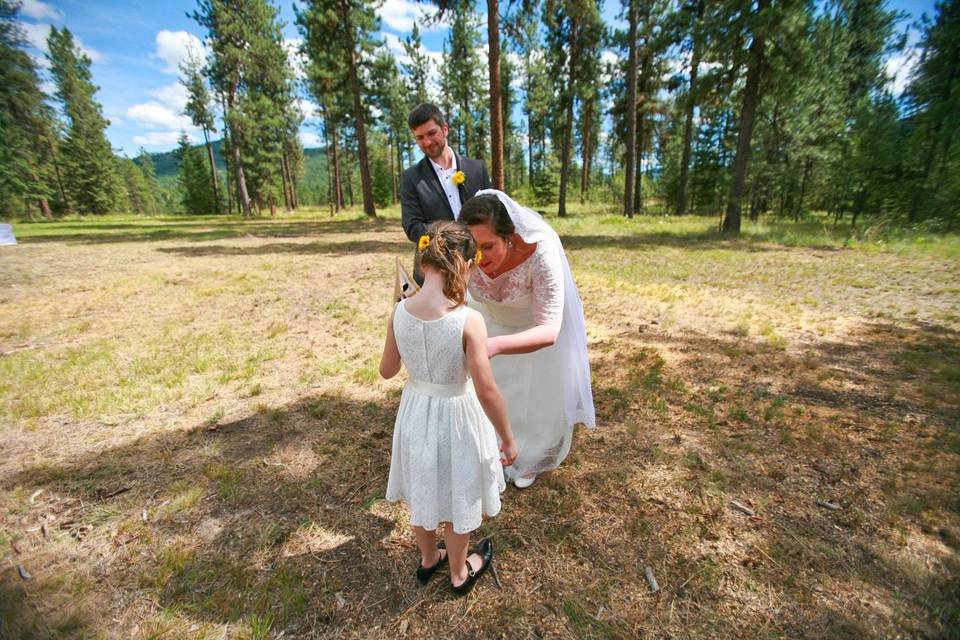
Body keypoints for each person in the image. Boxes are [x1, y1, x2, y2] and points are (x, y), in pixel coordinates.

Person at [379, 220, 518, 595]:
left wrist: (399, 329)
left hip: (416, 412)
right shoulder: (468, 319)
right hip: (457, 413)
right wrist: (506, 436)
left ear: (423, 263)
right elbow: (486, 389)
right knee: (461, 490)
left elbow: (387, 370)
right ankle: (459, 572)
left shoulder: (400, 312)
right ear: (466, 266)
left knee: (423, 487)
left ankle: (428, 559)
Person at [459, 191, 595, 489]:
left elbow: (548, 329)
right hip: (488, 322)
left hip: (532, 333)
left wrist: (492, 347)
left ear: (509, 237)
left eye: (488, 246)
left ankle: (529, 455)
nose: (479, 259)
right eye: (473, 249)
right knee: (491, 392)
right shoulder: (466, 253)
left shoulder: (541, 253)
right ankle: (489, 447)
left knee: (532, 400)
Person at [400, 103, 492, 284]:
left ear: (445, 129)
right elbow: (412, 227)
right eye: (419, 137)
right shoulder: (411, 177)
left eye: (431, 133)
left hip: (480, 268)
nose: (426, 142)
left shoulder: (477, 169)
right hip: (435, 273)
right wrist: (455, 235)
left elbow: (492, 214)